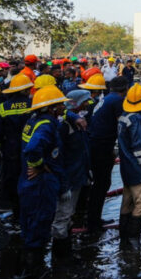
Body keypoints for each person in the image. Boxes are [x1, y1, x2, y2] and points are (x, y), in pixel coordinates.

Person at [18, 85, 69, 273]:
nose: (63, 107)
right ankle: (34, 270)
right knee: (39, 223)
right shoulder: (46, 126)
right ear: (51, 108)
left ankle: (28, 264)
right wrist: (40, 165)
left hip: (28, 181)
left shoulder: (34, 121)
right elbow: (32, 149)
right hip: (41, 183)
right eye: (60, 104)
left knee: (29, 222)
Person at [51, 90, 91, 259]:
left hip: (77, 175)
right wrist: (63, 183)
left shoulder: (77, 122)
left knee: (69, 214)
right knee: (62, 215)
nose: (87, 105)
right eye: (85, 102)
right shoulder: (64, 125)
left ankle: (66, 252)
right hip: (68, 177)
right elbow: (57, 157)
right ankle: (60, 258)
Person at [0, 73, 34, 217]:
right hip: (31, 148)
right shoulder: (34, 105)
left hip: (11, 149)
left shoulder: (2, 108)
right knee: (31, 177)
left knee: (12, 179)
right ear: (26, 90)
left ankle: (16, 211)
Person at [117, 84, 141, 251]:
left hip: (126, 168)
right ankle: (133, 239)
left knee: (127, 202)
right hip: (137, 169)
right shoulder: (135, 120)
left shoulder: (124, 116)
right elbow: (139, 147)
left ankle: (123, 238)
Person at [86, 76, 128, 233]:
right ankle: (93, 222)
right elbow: (123, 125)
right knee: (101, 184)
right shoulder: (118, 101)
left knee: (99, 183)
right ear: (125, 88)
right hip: (101, 146)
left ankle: (94, 218)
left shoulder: (107, 99)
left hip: (96, 144)